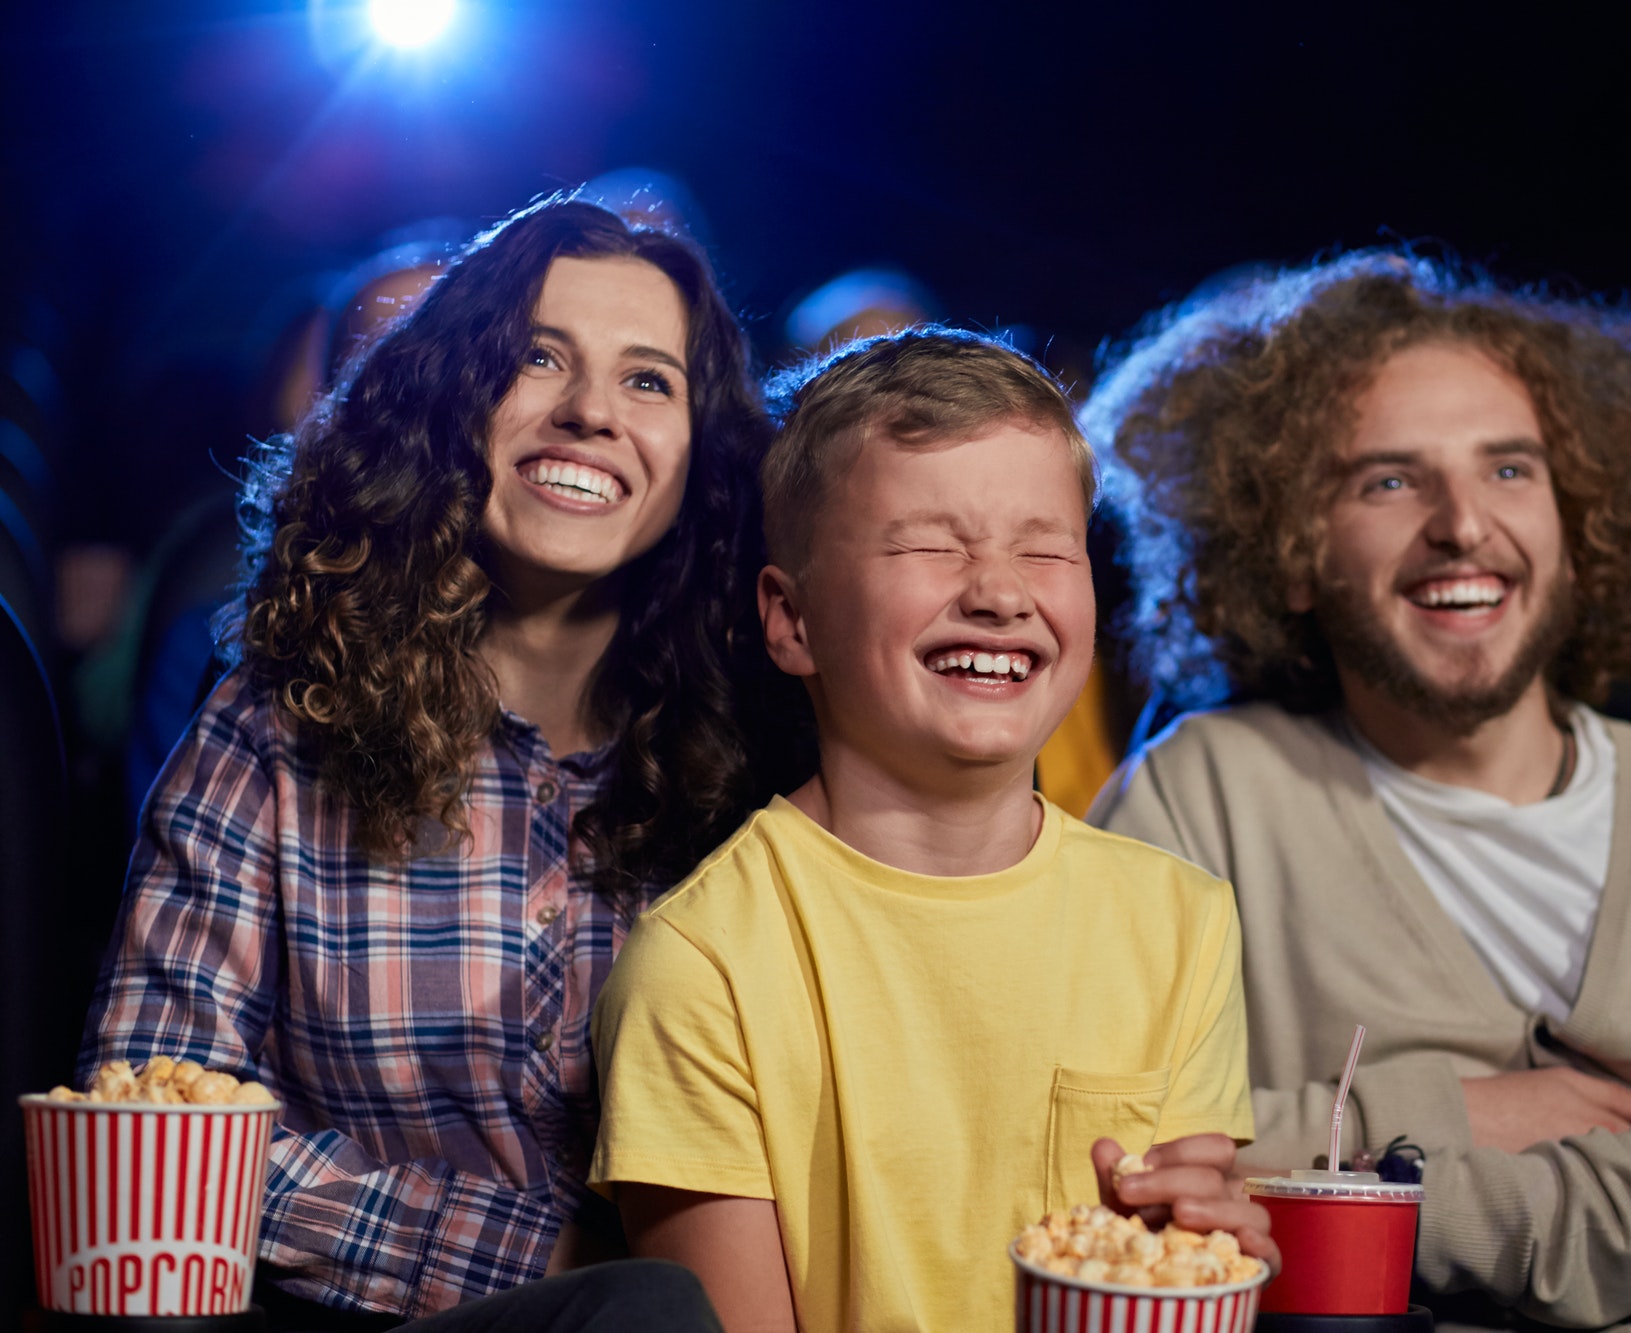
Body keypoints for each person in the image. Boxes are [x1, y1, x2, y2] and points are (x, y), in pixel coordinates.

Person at [1086, 254, 1631, 1330]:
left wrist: (1351, 1189)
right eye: (1387, 479)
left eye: (1510, 470)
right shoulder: (1201, 798)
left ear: (1578, 517)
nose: (1462, 523)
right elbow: (1115, 1149)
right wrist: (1457, 1114)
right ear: (1291, 552)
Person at [80, 196, 779, 1328]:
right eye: (538, 358)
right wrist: (558, 1260)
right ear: (455, 399)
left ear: (704, 451)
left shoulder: (761, 747)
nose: (592, 412)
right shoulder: (274, 728)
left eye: (650, 380)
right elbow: (149, 1124)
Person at [588, 327, 1274, 1332]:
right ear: (791, 620)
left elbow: (1165, 1266)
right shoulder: (703, 966)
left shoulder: (1180, 920)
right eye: (926, 544)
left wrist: (1210, 1275)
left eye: (1044, 548)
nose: (998, 593)